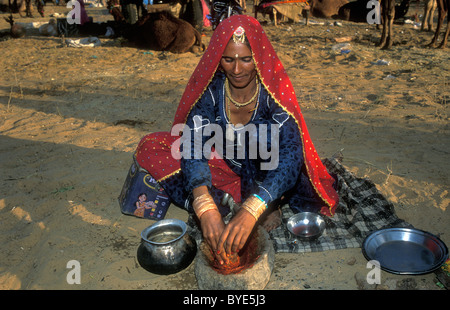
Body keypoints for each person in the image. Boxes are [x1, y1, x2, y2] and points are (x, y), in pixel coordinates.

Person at [133, 15, 339, 265]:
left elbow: (290, 156)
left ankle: (266, 204)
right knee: (153, 147)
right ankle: (221, 201)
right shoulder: (212, 91)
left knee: (266, 145)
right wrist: (203, 202)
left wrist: (255, 207)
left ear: (259, 58)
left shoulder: (273, 93)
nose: (237, 69)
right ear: (218, 59)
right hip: (225, 164)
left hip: (265, 172)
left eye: (246, 59)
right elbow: (194, 144)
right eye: (228, 59)